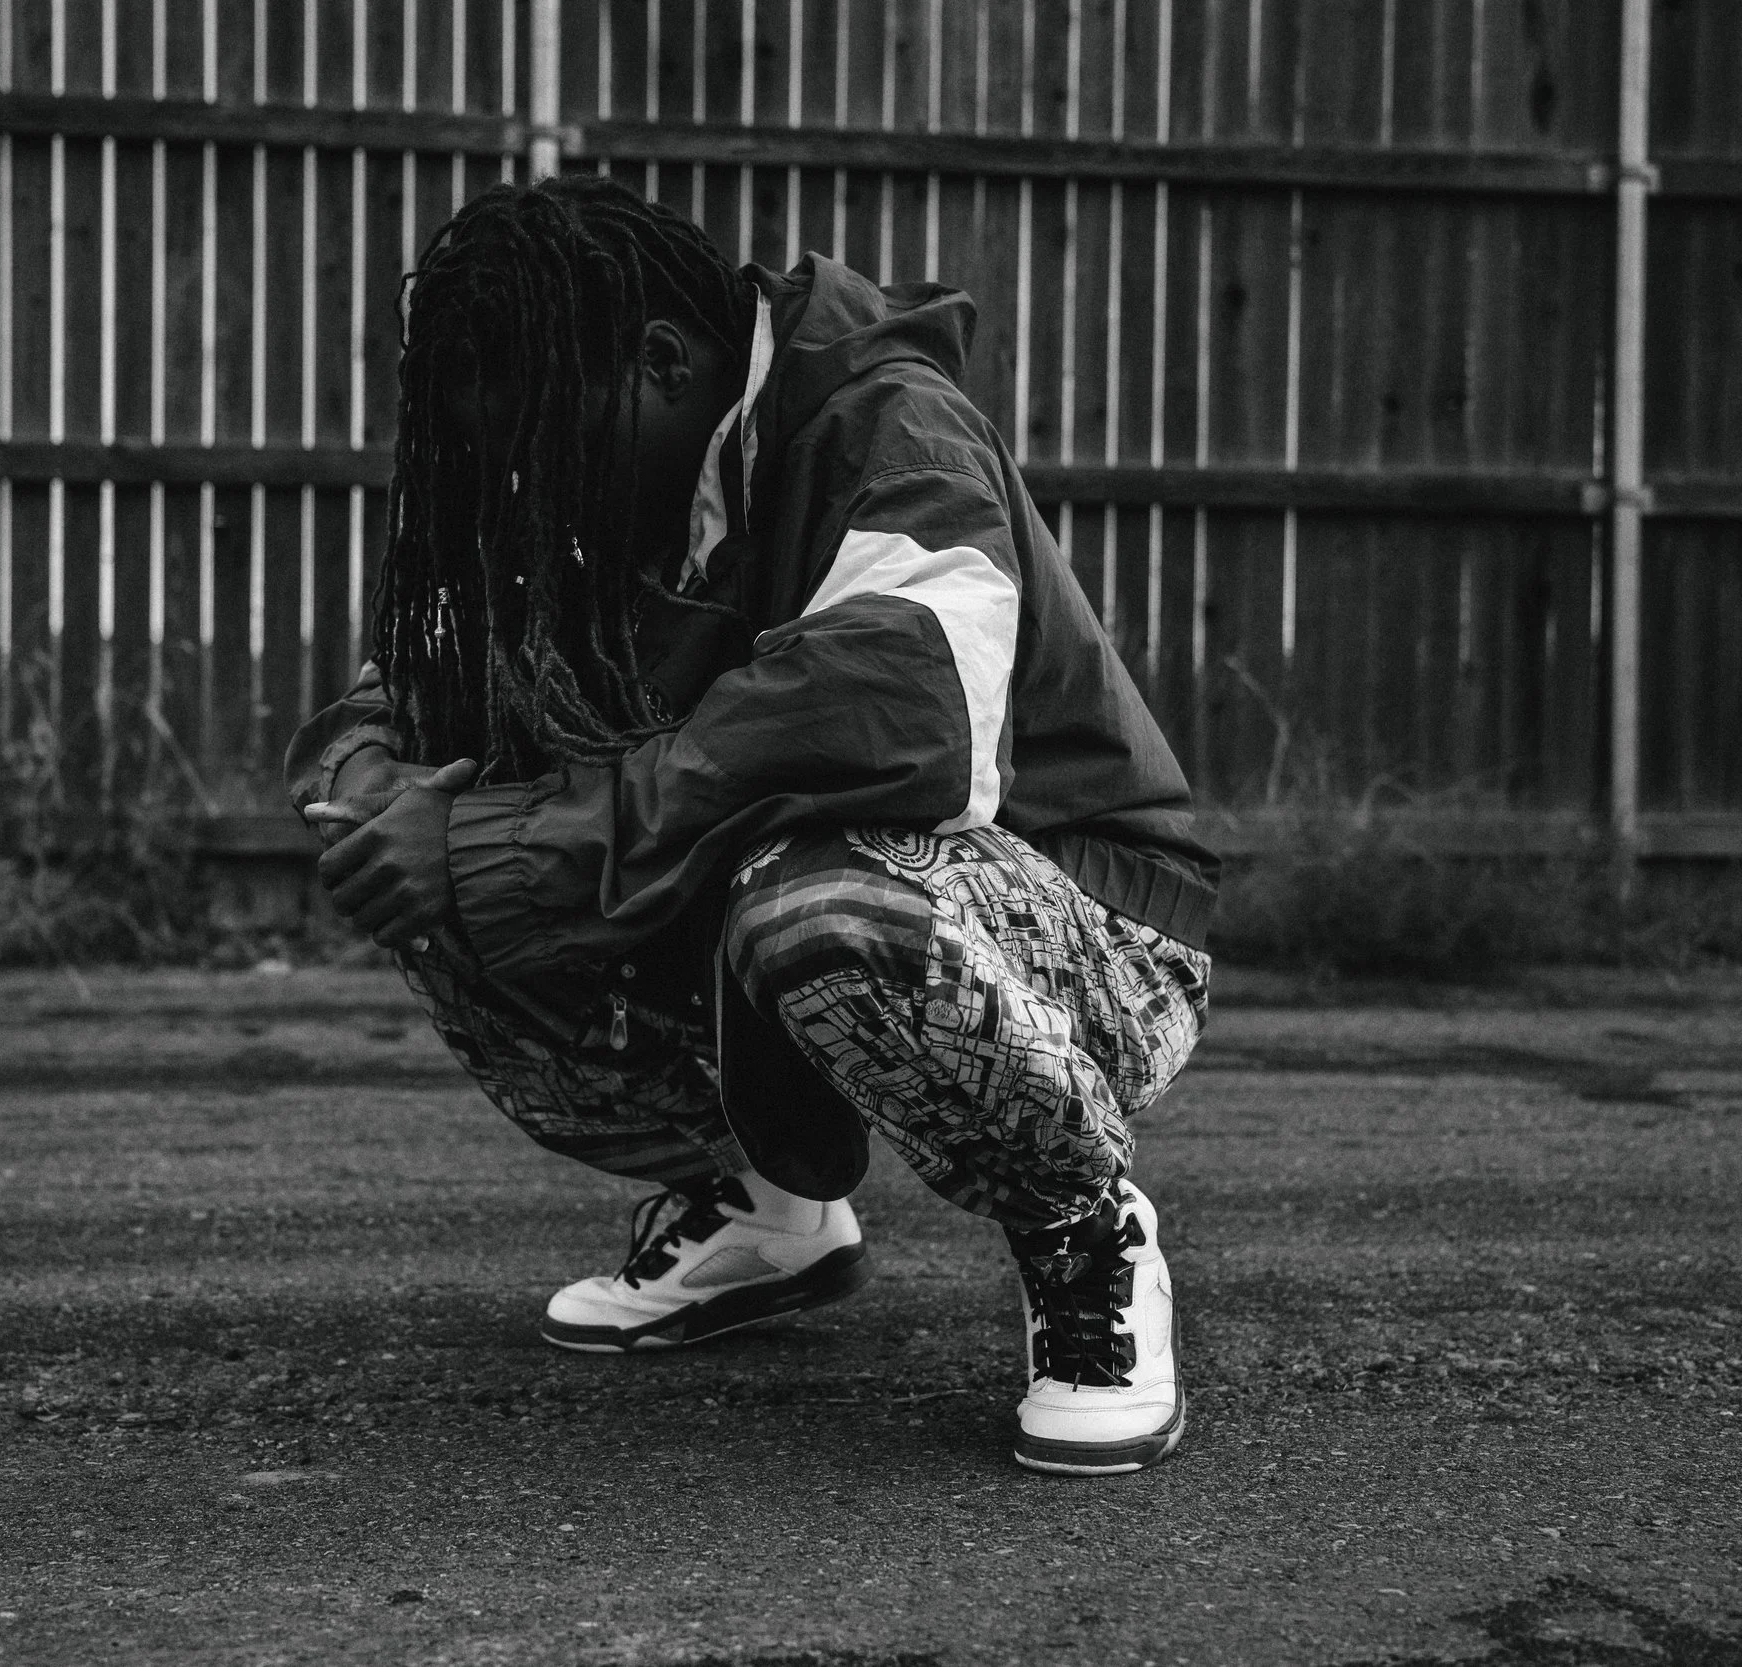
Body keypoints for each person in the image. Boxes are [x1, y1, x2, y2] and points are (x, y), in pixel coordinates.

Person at [286, 176, 1218, 1477]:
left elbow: (905, 714)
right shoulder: (626, 486)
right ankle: (770, 1208)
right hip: (802, 886)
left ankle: (1081, 1222)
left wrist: (517, 837)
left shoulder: (890, 422)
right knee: (449, 873)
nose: (524, 495)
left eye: (543, 453)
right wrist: (372, 774)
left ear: (662, 364)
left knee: (806, 895)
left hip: (1095, 924)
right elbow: (407, 686)